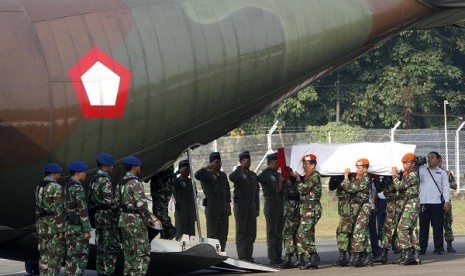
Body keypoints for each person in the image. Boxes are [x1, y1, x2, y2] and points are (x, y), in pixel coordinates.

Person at [119, 156, 156, 275]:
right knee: (141, 255)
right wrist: (149, 220)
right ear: (135, 168)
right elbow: (142, 205)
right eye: (139, 166)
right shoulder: (135, 183)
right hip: (136, 223)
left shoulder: (121, 183)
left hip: (124, 221)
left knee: (129, 255)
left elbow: (116, 201)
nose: (140, 168)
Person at [89, 153, 121, 275]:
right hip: (108, 219)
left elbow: (90, 199)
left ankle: (101, 272)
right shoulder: (105, 180)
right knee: (110, 249)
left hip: (98, 217)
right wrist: (118, 206)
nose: (112, 168)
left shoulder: (93, 179)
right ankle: (108, 272)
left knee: (100, 249)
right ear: (105, 166)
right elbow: (108, 201)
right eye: (111, 166)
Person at [194, 152, 231, 252]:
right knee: (212, 234)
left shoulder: (223, 175)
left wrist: (228, 204)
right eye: (217, 162)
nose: (219, 164)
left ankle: (221, 253)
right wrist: (208, 167)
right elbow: (197, 175)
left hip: (223, 209)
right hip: (212, 209)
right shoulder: (206, 175)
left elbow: (227, 190)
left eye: (220, 162)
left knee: (223, 234)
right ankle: (213, 254)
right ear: (211, 163)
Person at [229, 151, 260, 262]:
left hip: (251, 207)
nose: (248, 162)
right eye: (246, 160)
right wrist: (239, 168)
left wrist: (257, 208)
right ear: (241, 161)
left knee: (251, 233)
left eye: (249, 160)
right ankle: (242, 256)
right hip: (241, 207)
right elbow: (231, 177)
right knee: (241, 232)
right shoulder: (237, 173)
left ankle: (249, 256)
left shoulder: (253, 175)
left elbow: (256, 193)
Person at [341, 158, 371, 267]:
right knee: (364, 232)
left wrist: (345, 177)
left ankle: (358, 255)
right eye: (357, 168)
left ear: (365, 168)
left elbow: (350, 188)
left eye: (360, 168)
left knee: (358, 231)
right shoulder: (357, 177)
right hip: (357, 206)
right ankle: (368, 257)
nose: (357, 170)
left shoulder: (366, 178)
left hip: (363, 207)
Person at [293, 153, 322, 270]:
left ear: (312, 165)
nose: (304, 166)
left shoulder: (314, 176)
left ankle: (313, 255)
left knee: (302, 233)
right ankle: (311, 260)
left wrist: (298, 180)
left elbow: (303, 189)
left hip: (311, 208)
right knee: (307, 234)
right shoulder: (309, 176)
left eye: (306, 164)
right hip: (307, 209)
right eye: (303, 164)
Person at [419, 151, 451, 255]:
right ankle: (422, 248)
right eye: (428, 157)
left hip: (437, 203)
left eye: (432, 157)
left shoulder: (442, 173)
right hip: (424, 202)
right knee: (423, 227)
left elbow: (445, 188)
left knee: (437, 227)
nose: (429, 159)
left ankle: (439, 248)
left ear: (438, 160)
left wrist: (446, 201)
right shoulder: (421, 170)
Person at [35, 163, 64, 276]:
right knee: (54, 255)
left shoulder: (39, 187)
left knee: (43, 254)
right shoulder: (56, 187)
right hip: (53, 225)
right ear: (54, 174)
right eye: (58, 174)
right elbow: (58, 209)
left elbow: (37, 208)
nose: (60, 176)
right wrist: (61, 229)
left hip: (41, 224)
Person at [391, 153, 420, 265]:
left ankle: (408, 254)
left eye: (407, 163)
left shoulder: (412, 174)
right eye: (403, 163)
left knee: (402, 228)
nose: (404, 165)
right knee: (411, 229)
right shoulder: (408, 174)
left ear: (412, 163)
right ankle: (415, 255)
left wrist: (394, 176)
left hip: (411, 204)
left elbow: (399, 186)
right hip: (409, 203)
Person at [63, 161, 91, 276]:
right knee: (80, 257)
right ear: (78, 173)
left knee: (71, 257)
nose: (85, 174)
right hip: (78, 228)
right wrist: (87, 230)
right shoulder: (78, 188)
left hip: (69, 226)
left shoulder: (66, 186)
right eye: (84, 172)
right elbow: (83, 210)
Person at [257, 152, 285, 265]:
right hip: (271, 205)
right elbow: (259, 178)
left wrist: (281, 182)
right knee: (272, 231)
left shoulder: (278, 175)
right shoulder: (266, 174)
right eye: (275, 162)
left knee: (279, 231)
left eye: (278, 162)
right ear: (269, 163)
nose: (277, 164)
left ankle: (278, 255)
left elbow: (281, 191)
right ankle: (272, 256)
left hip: (280, 204)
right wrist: (268, 169)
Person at [279, 167, 300, 269]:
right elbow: (280, 192)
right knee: (291, 233)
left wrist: (289, 180)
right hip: (289, 209)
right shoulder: (286, 182)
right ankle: (296, 257)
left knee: (288, 232)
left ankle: (289, 258)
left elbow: (294, 193)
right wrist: (281, 182)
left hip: (294, 209)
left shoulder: (296, 180)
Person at [380, 170, 402, 264]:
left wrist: (394, 177)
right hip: (390, 207)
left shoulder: (401, 177)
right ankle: (384, 254)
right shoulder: (387, 178)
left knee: (399, 231)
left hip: (399, 207)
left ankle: (403, 253)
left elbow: (398, 189)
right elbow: (383, 191)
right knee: (387, 230)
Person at [150, 165, 176, 239]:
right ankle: (164, 233)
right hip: (158, 189)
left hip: (162, 189)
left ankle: (169, 228)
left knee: (159, 211)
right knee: (159, 211)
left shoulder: (164, 161)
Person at [173, 159, 197, 240]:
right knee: (180, 234)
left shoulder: (191, 182)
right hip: (181, 211)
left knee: (191, 235)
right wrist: (178, 172)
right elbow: (171, 181)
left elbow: (195, 195)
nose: (188, 171)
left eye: (189, 169)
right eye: (185, 169)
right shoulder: (176, 181)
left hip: (191, 211)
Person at [438, 157, 457, 253]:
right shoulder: (429, 173)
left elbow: (454, 186)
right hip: (435, 201)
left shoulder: (447, 173)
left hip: (445, 201)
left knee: (447, 223)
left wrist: (446, 183)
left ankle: (449, 244)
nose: (438, 163)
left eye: (440, 161)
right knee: (436, 225)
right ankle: (438, 246)